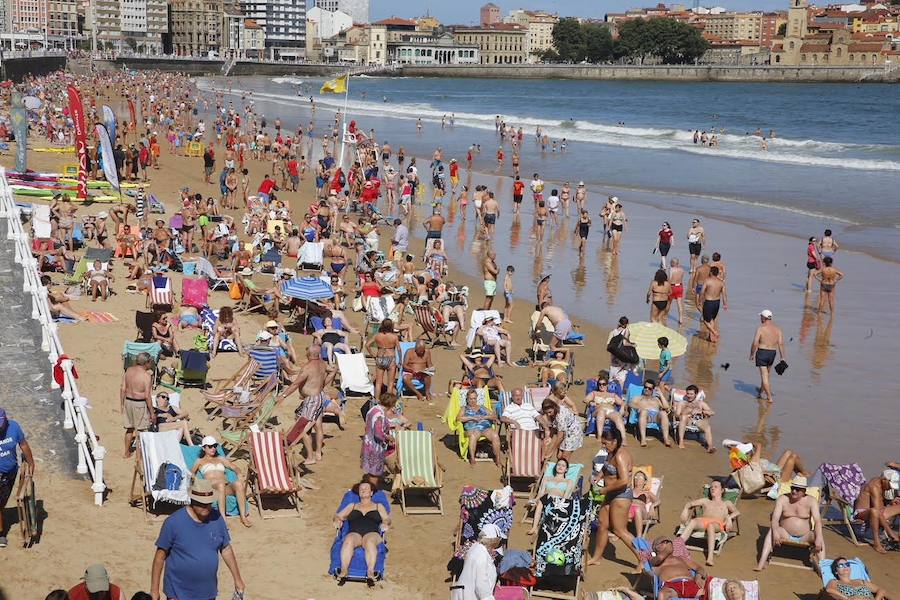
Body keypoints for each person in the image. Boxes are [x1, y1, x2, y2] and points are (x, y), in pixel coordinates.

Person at [151, 478, 245, 600]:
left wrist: (238, 579)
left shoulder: (217, 519)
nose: (206, 507)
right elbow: (160, 556)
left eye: (209, 503)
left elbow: (226, 548)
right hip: (178, 593)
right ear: (192, 501)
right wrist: (154, 590)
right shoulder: (173, 522)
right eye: (202, 503)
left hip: (207, 593)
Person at [588, 428, 640, 565]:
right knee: (602, 525)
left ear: (615, 441)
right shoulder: (610, 453)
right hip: (611, 494)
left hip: (621, 495)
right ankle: (597, 558)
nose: (603, 446)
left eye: (606, 443)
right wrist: (598, 477)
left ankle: (643, 560)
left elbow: (623, 481)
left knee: (620, 530)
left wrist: (604, 490)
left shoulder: (621, 456)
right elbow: (607, 468)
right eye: (602, 443)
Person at [277, 345, 336, 465]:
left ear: (309, 355)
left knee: (302, 428)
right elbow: (334, 369)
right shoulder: (323, 363)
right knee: (318, 425)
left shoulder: (308, 367)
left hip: (312, 400)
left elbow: (294, 385)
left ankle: (310, 457)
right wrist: (324, 384)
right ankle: (318, 452)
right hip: (318, 397)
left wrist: (282, 396)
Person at [755, 475, 824, 571]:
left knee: (819, 536)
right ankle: (761, 563)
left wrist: (818, 538)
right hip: (785, 533)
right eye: (793, 488)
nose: (794, 491)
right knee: (772, 530)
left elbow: (817, 521)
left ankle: (823, 568)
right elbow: (775, 518)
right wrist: (775, 533)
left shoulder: (811, 501)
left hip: (805, 535)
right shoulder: (783, 499)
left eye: (797, 489)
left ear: (804, 491)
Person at [333, 479, 391, 587]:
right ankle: (344, 570)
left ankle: (370, 571)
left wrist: (385, 524)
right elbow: (338, 515)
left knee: (369, 541)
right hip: (355, 534)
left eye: (365, 488)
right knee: (348, 540)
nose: (363, 490)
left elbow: (387, 519)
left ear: (371, 493)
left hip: (373, 533)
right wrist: (337, 520)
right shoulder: (352, 505)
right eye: (361, 489)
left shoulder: (378, 506)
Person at [191, 436, 252, 528]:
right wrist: (195, 480)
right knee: (220, 485)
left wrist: (239, 473)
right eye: (210, 446)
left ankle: (243, 517)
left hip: (225, 486)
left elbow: (234, 467)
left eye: (215, 446)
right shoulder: (199, 461)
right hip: (211, 488)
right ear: (204, 448)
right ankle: (223, 519)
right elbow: (191, 473)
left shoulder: (220, 458)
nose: (213, 448)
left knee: (238, 484)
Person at [678, 480, 739, 566]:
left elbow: (736, 512)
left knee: (711, 526)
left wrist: (729, 518)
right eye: (711, 487)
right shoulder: (706, 500)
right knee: (693, 521)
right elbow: (690, 503)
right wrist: (685, 509)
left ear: (722, 490)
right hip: (703, 521)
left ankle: (710, 558)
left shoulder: (726, 503)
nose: (712, 488)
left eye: (716, 487)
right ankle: (678, 547)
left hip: (717, 524)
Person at [0, 408, 35, 548]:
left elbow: (23, 444)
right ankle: (1, 534)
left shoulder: (14, 426)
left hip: (10, 473)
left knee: (2, 504)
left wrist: (31, 462)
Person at [451, 523, 503, 600]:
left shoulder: (475, 547)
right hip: (470, 596)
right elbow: (481, 585)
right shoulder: (481, 556)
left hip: (465, 592)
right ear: (494, 541)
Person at [852, 470, 900, 554]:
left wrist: (892, 502)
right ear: (884, 480)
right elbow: (878, 512)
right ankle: (876, 543)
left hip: (877, 511)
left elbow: (880, 505)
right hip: (862, 515)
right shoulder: (874, 487)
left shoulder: (880, 483)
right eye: (890, 485)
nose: (891, 488)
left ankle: (896, 535)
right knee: (874, 511)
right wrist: (890, 532)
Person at [527, 458, 577, 535]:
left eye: (563, 466)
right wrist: (535, 500)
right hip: (545, 499)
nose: (560, 467)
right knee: (540, 502)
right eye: (559, 465)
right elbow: (541, 493)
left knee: (544, 502)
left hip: (559, 501)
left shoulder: (569, 481)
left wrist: (560, 503)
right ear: (555, 467)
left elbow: (566, 496)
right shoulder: (547, 479)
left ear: (566, 469)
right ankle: (534, 527)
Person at [121, 351, 154, 458]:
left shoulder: (129, 370)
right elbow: (147, 396)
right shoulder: (146, 376)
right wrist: (152, 413)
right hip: (139, 404)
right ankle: (139, 457)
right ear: (147, 363)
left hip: (128, 401)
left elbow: (122, 389)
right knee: (141, 431)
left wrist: (121, 404)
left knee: (129, 428)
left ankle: (126, 452)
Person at [458, 389, 502, 467]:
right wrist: (472, 418)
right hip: (472, 429)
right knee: (474, 435)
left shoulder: (482, 407)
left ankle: (498, 459)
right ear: (467, 399)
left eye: (474, 398)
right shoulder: (464, 408)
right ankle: (472, 458)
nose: (473, 401)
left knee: (495, 435)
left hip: (485, 428)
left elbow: (494, 416)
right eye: (470, 399)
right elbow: (459, 418)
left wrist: (485, 416)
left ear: (477, 398)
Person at [750, 309, 785, 402]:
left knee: (764, 375)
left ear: (764, 318)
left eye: (761, 316)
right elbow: (781, 344)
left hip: (762, 352)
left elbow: (755, 343)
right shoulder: (778, 329)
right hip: (772, 353)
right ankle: (760, 392)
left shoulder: (761, 329)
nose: (760, 318)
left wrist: (752, 354)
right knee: (766, 374)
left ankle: (769, 397)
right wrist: (783, 358)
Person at [361, 394, 396, 487]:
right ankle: (372, 490)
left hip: (368, 442)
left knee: (371, 469)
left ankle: (368, 485)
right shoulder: (379, 414)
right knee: (375, 472)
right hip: (375, 446)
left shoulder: (373, 409)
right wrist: (388, 437)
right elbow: (378, 433)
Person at [583, 374, 627, 442]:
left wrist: (622, 407)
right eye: (599, 384)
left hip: (610, 412)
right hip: (598, 411)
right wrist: (590, 402)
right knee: (601, 412)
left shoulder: (612, 395)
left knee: (618, 416)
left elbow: (622, 403)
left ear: (607, 385)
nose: (601, 386)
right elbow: (585, 400)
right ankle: (599, 437)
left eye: (604, 384)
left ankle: (623, 439)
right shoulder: (594, 393)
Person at [366, 319, 399, 403]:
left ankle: (377, 399)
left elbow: (367, 345)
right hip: (391, 358)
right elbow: (399, 350)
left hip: (380, 358)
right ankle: (388, 401)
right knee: (390, 383)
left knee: (378, 382)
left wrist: (373, 355)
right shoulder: (394, 336)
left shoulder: (377, 335)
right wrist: (400, 361)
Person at [630, 379, 671, 447]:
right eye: (645, 387)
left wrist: (661, 394)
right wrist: (639, 408)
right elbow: (630, 404)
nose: (647, 389)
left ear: (653, 390)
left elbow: (666, 407)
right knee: (644, 411)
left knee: (663, 413)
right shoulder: (638, 398)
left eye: (649, 388)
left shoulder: (656, 399)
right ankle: (643, 439)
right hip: (645, 416)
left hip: (656, 417)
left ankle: (666, 439)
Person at [539, 396, 583, 460]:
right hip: (566, 431)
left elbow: (560, 437)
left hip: (573, 432)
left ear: (554, 407)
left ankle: (564, 468)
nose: (548, 414)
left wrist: (551, 452)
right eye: (546, 413)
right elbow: (554, 427)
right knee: (559, 456)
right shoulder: (553, 414)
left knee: (564, 457)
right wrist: (550, 437)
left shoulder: (560, 416)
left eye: (550, 412)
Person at [698, 266, 726, 343]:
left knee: (705, 320)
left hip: (709, 302)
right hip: (717, 302)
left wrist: (699, 301)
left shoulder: (707, 281)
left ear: (711, 272)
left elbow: (702, 292)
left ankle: (714, 332)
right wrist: (725, 304)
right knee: (712, 319)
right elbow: (724, 294)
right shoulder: (721, 282)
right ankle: (711, 338)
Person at [668, 257, 686, 324]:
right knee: (679, 304)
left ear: (672, 263)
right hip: (680, 286)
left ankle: (665, 315)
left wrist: (668, 288)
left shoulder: (671, 270)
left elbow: (669, 279)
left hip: (673, 287)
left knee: (669, 303)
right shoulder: (682, 270)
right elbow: (681, 277)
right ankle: (681, 318)